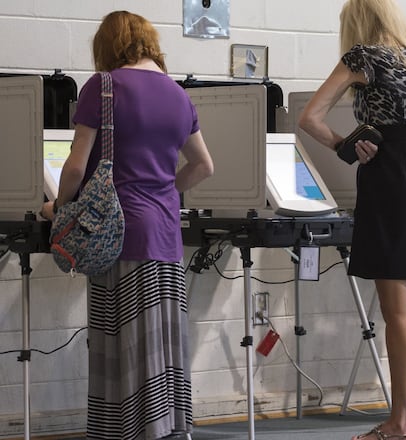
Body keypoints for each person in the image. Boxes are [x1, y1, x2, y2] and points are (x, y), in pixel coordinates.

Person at [40, 10, 214, 439]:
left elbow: (76, 169)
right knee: (161, 349)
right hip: (166, 236)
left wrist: (60, 211)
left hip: (117, 236)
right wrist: (164, 193)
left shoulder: (102, 87)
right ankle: (167, 429)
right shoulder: (179, 95)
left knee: (120, 349)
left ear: (108, 47)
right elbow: (204, 166)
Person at [298, 0, 406, 438]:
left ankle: (399, 422)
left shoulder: (362, 57)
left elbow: (310, 117)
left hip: (389, 178)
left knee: (397, 309)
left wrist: (346, 146)